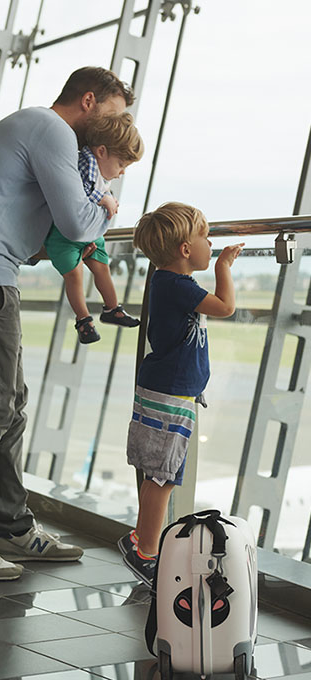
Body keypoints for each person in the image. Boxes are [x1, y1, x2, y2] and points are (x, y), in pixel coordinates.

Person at [0, 66, 134, 580]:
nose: (115, 128)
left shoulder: (38, 129)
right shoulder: (53, 131)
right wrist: (106, 206)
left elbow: (44, 239)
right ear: (89, 102)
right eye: (113, 114)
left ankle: (13, 528)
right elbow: (77, 223)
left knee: (7, 406)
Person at [118, 202, 243, 587]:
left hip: (170, 390)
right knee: (162, 476)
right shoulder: (177, 285)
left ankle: (142, 539)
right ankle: (146, 554)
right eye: (204, 237)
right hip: (170, 394)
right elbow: (225, 306)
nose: (210, 243)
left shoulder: (168, 282)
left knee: (160, 472)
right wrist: (223, 267)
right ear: (185, 249)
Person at [45, 112, 144, 344]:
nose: (122, 173)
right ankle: (84, 320)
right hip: (63, 235)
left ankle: (112, 308)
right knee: (74, 275)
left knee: (102, 268)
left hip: (90, 233)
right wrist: (105, 198)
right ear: (101, 152)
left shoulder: (99, 168)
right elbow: (76, 192)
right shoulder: (86, 162)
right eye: (121, 164)